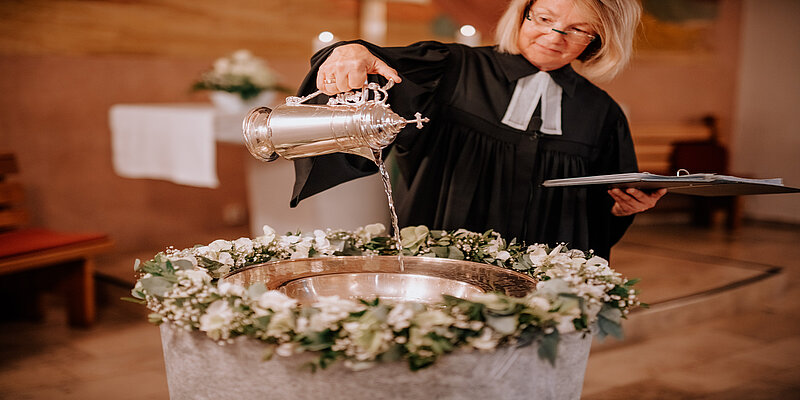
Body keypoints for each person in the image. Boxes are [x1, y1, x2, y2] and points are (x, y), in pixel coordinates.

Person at [290, 0, 665, 259]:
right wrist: (349, 52)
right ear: (523, 12)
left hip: (545, 278)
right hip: (441, 260)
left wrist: (622, 208)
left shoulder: (601, 112)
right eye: (545, 19)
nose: (554, 37)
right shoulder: (450, 69)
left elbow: (597, 213)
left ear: (597, 39)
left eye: (578, 30)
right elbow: (372, 75)